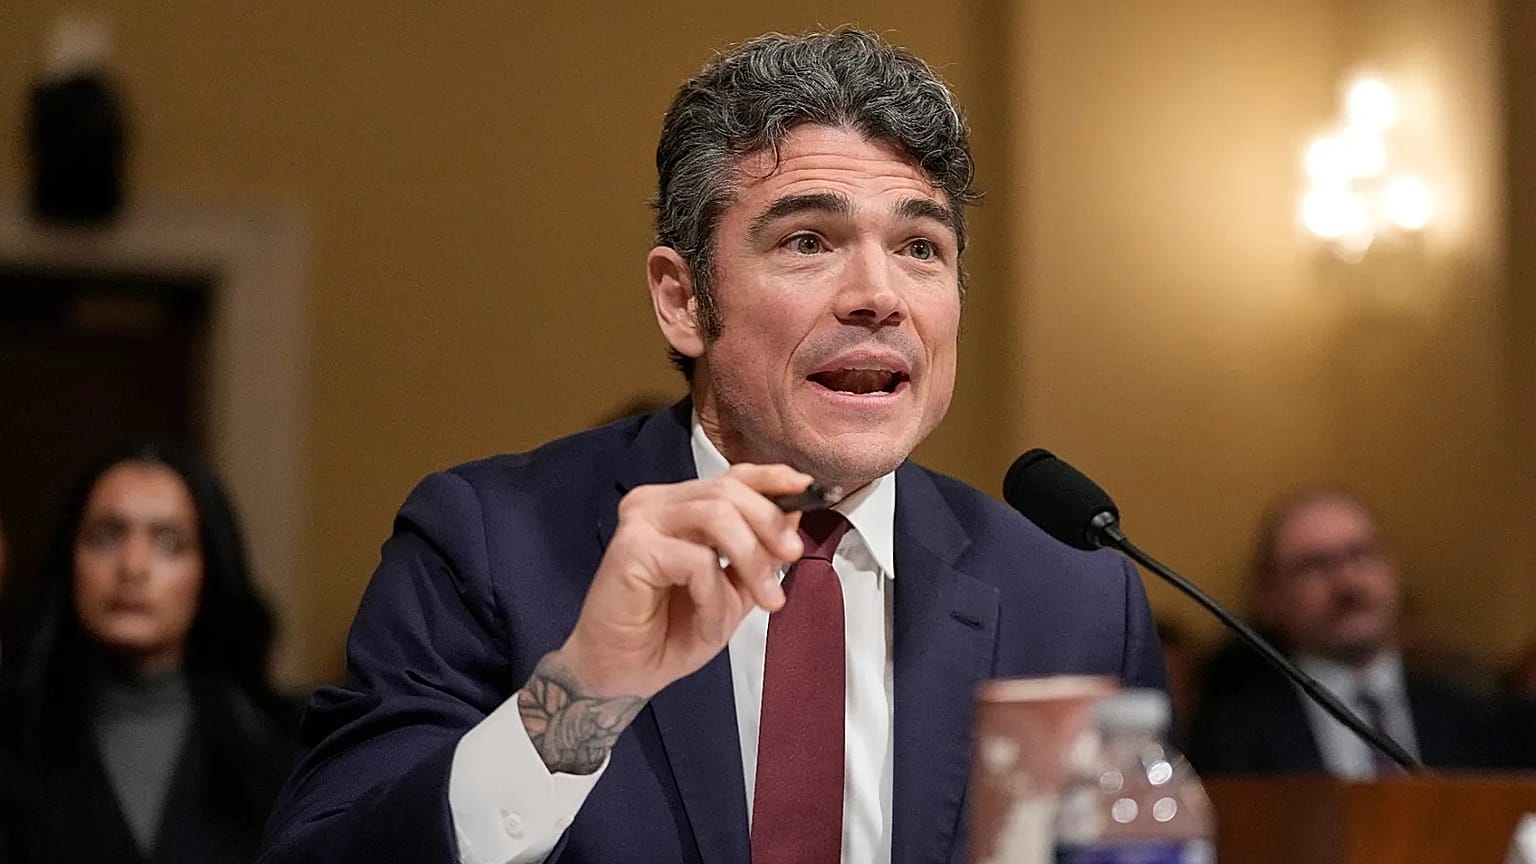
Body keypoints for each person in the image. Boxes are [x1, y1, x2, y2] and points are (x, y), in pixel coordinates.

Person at [258, 28, 1166, 864]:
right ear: (683, 300)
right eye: (809, 241)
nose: (879, 295)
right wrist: (585, 693)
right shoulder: (489, 546)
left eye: (921, 248)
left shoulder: (1073, 599)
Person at [0, 443, 300, 863]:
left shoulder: (287, 750)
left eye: (169, 543)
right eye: (106, 536)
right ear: (69, 560)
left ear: (208, 571)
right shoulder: (13, 738)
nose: (133, 567)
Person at [1189, 486, 1514, 776]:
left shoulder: (1476, 720)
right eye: (1315, 565)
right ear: (1271, 596)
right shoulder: (1231, 736)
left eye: (1361, 554)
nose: (1348, 582)